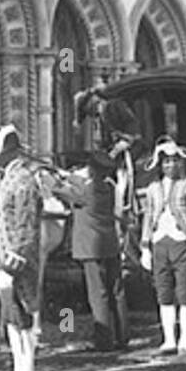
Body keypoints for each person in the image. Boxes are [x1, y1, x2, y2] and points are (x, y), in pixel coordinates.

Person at [139, 138, 186, 354]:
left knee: (185, 291)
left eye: (174, 161)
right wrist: (145, 247)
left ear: (181, 163)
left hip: (182, 243)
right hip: (160, 243)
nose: (170, 165)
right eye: (166, 162)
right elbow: (148, 217)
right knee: (163, 293)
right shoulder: (152, 189)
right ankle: (169, 339)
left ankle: (184, 340)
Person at [0, 126, 42, 371]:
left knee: (23, 317)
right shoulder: (11, 177)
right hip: (5, 256)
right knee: (11, 317)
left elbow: (27, 222)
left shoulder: (22, 179)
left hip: (17, 259)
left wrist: (17, 257)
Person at [61, 151, 124, 352]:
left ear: (91, 169)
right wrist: (67, 175)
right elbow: (79, 183)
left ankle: (104, 341)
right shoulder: (109, 187)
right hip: (110, 244)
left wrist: (52, 177)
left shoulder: (86, 192)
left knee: (98, 295)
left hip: (91, 248)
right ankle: (123, 336)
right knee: (117, 292)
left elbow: (59, 190)